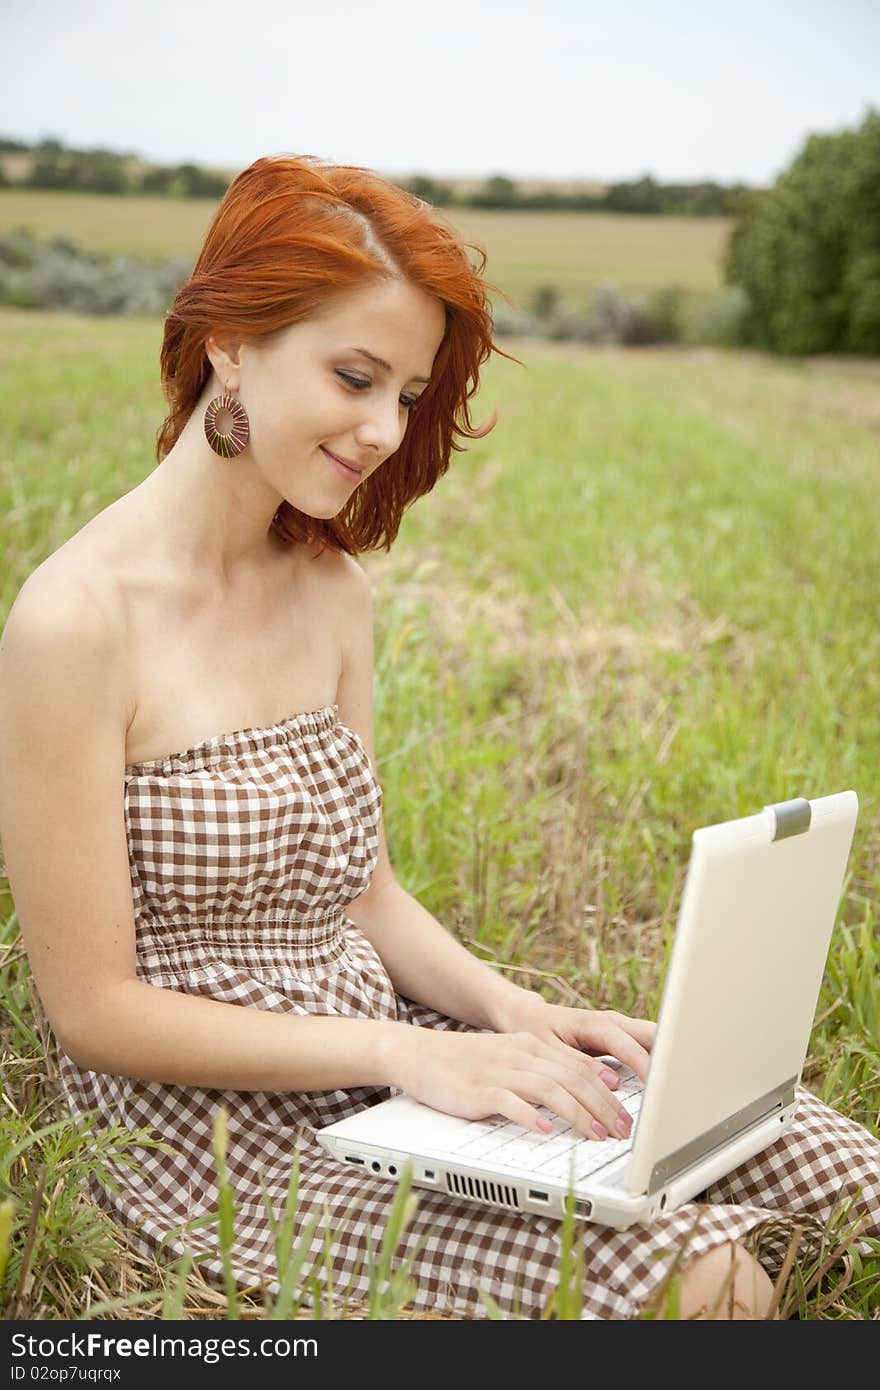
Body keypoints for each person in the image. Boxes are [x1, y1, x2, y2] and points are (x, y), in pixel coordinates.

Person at [0, 153, 877, 1322]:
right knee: (713, 1284)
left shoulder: (331, 589)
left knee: (846, 1175)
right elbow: (96, 1012)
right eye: (354, 375)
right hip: (211, 1133)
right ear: (230, 341)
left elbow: (367, 897)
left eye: (405, 394)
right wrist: (406, 1055)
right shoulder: (72, 623)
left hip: (391, 1053)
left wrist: (507, 1012)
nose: (380, 428)